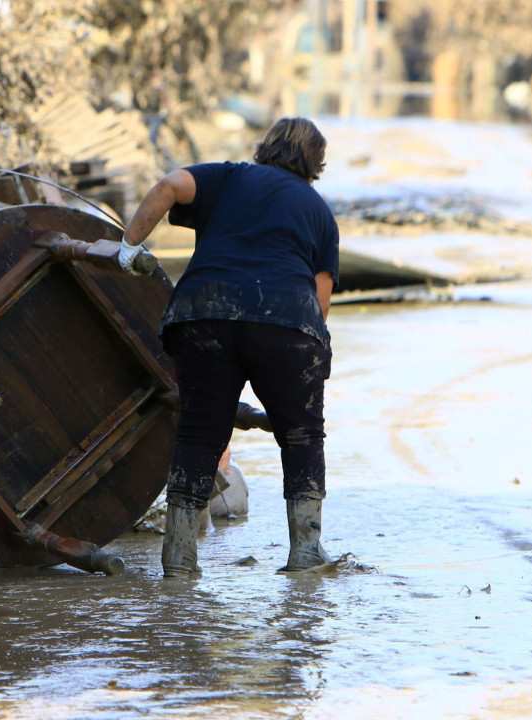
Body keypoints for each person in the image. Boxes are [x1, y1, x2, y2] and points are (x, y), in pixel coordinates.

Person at [117, 116, 339, 576]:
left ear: (266, 145)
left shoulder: (229, 176)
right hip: (286, 323)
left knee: (199, 433)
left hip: (203, 314)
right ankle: (306, 552)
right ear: (317, 162)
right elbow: (319, 307)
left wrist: (129, 245)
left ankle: (179, 560)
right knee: (301, 435)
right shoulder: (319, 212)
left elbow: (167, 185)